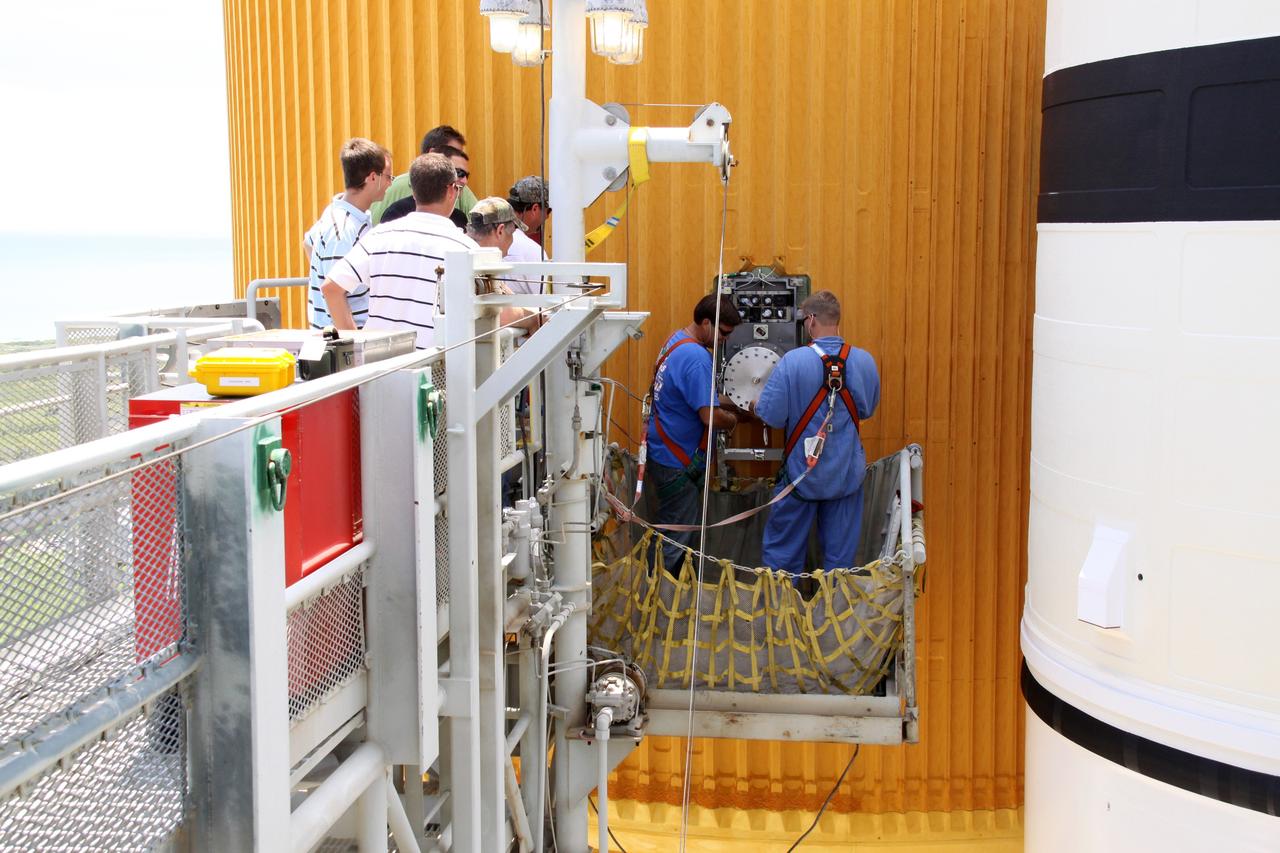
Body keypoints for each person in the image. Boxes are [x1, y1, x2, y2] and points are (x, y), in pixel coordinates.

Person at [754, 290, 880, 574]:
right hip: (846, 479)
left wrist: (754, 403)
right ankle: (833, 615)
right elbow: (867, 409)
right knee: (840, 567)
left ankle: (781, 616)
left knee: (782, 564)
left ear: (810, 321)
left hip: (800, 478)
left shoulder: (793, 362)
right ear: (836, 319)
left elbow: (772, 415)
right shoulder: (864, 362)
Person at [322, 153, 477, 350]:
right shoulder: (466, 248)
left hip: (378, 367)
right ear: (451, 190)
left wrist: (356, 348)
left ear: (414, 193)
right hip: (433, 368)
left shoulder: (378, 236)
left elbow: (331, 288)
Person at [644, 294, 742, 571]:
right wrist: (734, 420)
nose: (725, 339)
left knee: (670, 533)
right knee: (676, 540)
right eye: (723, 333)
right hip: (679, 464)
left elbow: (696, 395)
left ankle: (662, 595)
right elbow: (709, 415)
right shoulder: (697, 357)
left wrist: (733, 402)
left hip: (665, 455)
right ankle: (663, 601)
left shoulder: (675, 341)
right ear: (706, 322)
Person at [302, 138, 393, 329]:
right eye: (388, 177)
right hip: (344, 347)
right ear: (372, 178)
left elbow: (308, 242)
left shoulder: (342, 216)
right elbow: (333, 291)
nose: (390, 184)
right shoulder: (342, 230)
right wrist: (355, 345)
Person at [370, 125, 478, 225]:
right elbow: (374, 226)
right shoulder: (395, 190)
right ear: (433, 153)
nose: (463, 180)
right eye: (452, 152)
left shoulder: (461, 192)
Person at [382, 144, 470, 229]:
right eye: (459, 173)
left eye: (467, 175)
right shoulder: (397, 212)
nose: (465, 181)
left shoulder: (460, 218)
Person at [507, 175, 551, 254]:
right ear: (535, 209)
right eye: (548, 211)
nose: (547, 216)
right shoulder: (533, 251)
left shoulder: (489, 235)